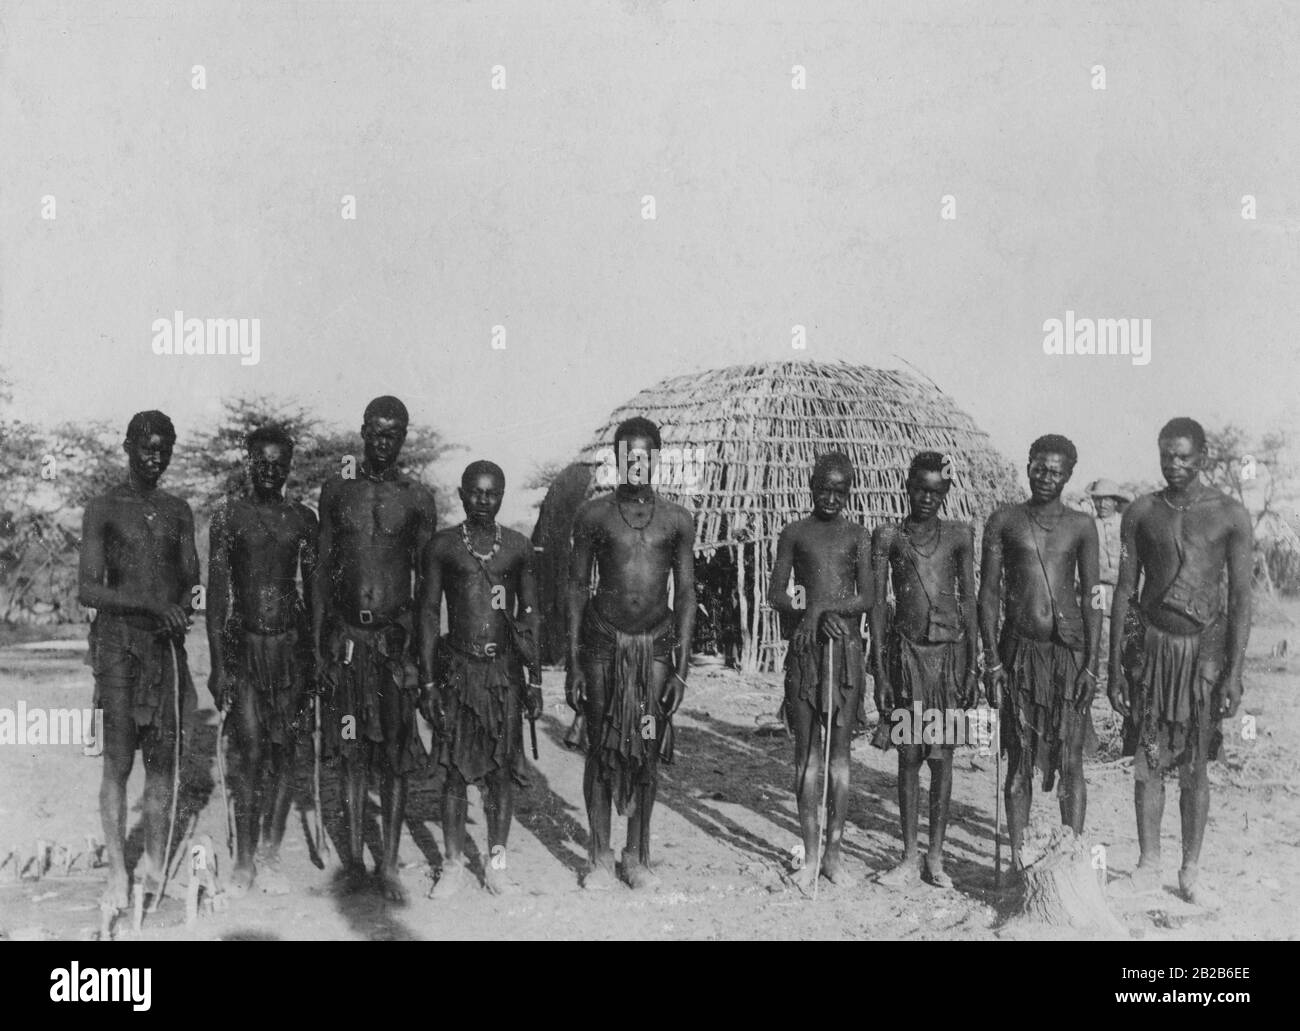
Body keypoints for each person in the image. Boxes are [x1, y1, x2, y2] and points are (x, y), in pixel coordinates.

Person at [1108, 418, 1251, 908]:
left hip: (1203, 657)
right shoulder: (1142, 512)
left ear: (1203, 457)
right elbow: (1125, 593)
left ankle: (1190, 869)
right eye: (1167, 455)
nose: (1175, 464)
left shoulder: (1230, 514)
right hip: (1152, 650)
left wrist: (1233, 672)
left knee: (1194, 767)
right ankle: (1149, 865)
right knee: (1148, 762)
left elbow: (1242, 598)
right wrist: (1116, 669)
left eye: (1185, 456)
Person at [313, 396, 437, 901]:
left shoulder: (418, 499)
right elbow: (321, 570)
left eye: (394, 433)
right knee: (349, 749)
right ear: (362, 431)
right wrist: (321, 641)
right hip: (346, 641)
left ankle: (388, 863)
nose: (383, 441)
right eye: (376, 431)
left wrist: (413, 644)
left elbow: (427, 585)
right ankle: (355, 864)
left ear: (404, 437)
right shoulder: (337, 493)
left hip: (392, 643)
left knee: (393, 749)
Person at [566, 417, 696, 890]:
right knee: (601, 748)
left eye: (646, 454)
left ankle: (637, 856)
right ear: (617, 459)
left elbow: (685, 595)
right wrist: (575, 663)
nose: (637, 463)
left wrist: (680, 670)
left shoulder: (677, 520)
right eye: (628, 454)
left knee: (645, 748)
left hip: (656, 651)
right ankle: (599, 857)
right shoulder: (594, 516)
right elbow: (578, 587)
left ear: (658, 458)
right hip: (603, 647)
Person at [79, 410, 199, 911]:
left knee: (163, 762)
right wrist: (151, 605)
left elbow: (190, 580)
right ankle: (116, 873)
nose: (155, 457)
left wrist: (184, 604)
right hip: (117, 646)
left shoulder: (178, 510)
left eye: (163, 449)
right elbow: (87, 588)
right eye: (146, 447)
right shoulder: (103, 507)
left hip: (163, 649)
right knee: (118, 761)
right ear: (127, 447)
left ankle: (152, 863)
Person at [420, 461, 543, 897]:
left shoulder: (517, 548)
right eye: (475, 492)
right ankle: (452, 864)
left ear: (503, 496)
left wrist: (535, 680)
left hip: (503, 673)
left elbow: (529, 617)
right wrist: (429, 682)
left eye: (492, 494)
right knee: (454, 771)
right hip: (457, 669)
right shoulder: (444, 547)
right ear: (461, 493)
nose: (483, 501)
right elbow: (430, 613)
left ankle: (497, 865)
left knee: (500, 774)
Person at [979, 434, 1100, 872]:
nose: (1047, 478)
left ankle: (1072, 857)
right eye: (1040, 468)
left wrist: (1092, 666)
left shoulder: (1082, 526)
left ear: (1069, 476)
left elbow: (1093, 597)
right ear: (1027, 465)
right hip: (1019, 656)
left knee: (1070, 760)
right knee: (1019, 760)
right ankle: (1015, 860)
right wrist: (992, 659)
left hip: (1068, 655)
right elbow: (988, 595)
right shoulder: (1004, 521)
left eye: (1057, 472)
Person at [206, 426, 318, 895]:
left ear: (289, 466)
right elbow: (216, 599)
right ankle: (246, 859)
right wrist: (218, 664)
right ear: (249, 462)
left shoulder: (303, 519)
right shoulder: (229, 517)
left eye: (279, 463)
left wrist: (314, 660)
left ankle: (270, 852)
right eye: (262, 462)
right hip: (245, 646)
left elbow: (314, 594)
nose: (270, 471)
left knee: (285, 751)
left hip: (290, 648)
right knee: (250, 752)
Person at [870, 452, 978, 889]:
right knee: (909, 756)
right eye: (920, 490)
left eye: (936, 492)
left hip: (947, 659)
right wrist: (880, 672)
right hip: (906, 658)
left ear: (946, 493)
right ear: (907, 487)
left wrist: (971, 667)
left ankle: (936, 857)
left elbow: (969, 602)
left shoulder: (958, 536)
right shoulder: (888, 537)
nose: (927, 499)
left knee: (942, 759)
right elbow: (878, 607)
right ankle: (908, 856)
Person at [769, 452, 871, 891]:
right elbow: (775, 592)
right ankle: (809, 855)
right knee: (806, 757)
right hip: (807, 651)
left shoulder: (858, 536)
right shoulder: (794, 533)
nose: (831, 497)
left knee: (840, 760)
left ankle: (835, 854)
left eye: (840, 490)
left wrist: (824, 608)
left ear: (850, 491)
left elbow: (866, 597)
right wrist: (808, 614)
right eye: (823, 488)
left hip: (845, 651)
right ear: (810, 486)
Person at [1087, 478, 1131, 682]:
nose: (1102, 504)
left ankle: (1121, 672)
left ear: (1115, 501)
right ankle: (1100, 674)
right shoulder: (1088, 526)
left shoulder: (1126, 524)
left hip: (1123, 587)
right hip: (1098, 588)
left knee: (1125, 628)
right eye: (1098, 500)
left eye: (1107, 500)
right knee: (1099, 627)